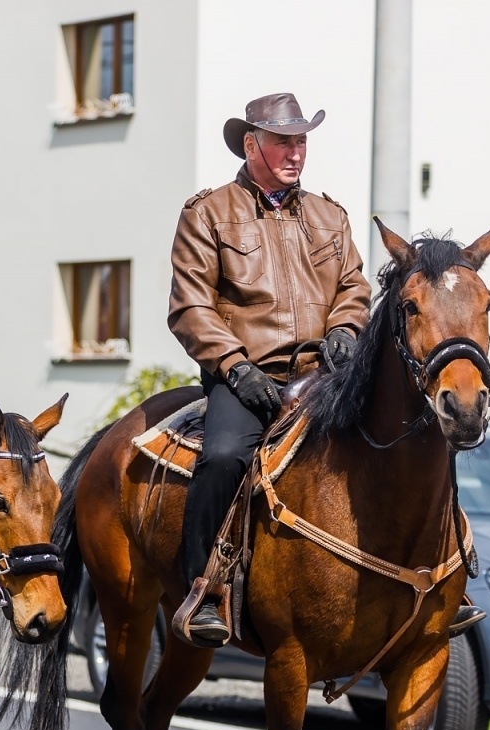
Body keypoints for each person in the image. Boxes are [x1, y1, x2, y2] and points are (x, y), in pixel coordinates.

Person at [168, 93, 371, 645]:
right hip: (244, 376)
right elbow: (190, 308)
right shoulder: (208, 212)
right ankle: (205, 589)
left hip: (323, 374)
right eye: (284, 141)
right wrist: (235, 368)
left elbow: (354, 286)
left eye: (301, 140)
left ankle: (437, 581)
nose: (295, 152)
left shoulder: (331, 215)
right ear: (252, 143)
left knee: (401, 433)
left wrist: (346, 331)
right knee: (224, 456)